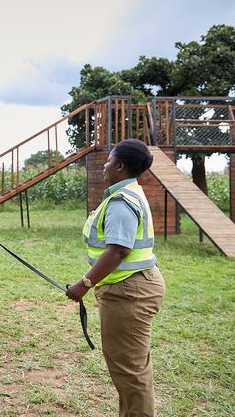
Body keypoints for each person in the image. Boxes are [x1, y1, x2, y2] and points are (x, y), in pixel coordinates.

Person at [66, 139, 165, 417]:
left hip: (130, 292)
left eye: (109, 160)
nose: (104, 166)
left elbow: (118, 251)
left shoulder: (122, 201)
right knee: (129, 366)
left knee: (130, 371)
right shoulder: (129, 192)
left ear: (120, 165)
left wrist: (84, 285)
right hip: (132, 287)